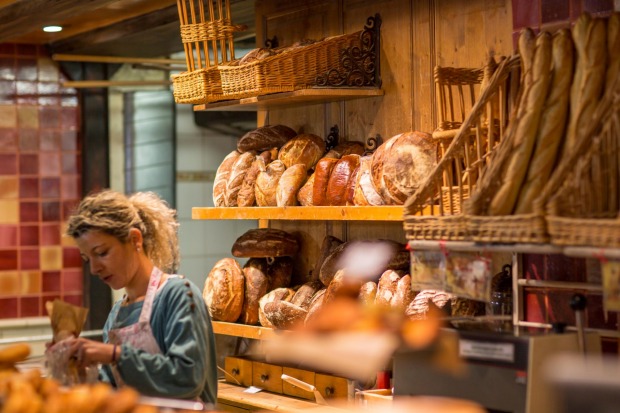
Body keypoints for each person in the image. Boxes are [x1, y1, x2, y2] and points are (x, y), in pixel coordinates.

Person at [63, 189, 217, 405]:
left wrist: (114, 354)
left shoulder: (179, 295)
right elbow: (113, 393)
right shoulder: (117, 315)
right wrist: (80, 373)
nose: (94, 269)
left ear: (135, 239)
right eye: (87, 259)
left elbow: (187, 378)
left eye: (102, 252)